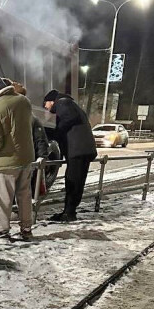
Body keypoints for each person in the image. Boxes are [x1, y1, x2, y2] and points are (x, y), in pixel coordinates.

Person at [0, 73, 35, 241]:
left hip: (5, 162)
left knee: (3, 199)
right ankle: (26, 229)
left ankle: (2, 231)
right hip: (25, 159)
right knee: (24, 195)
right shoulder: (24, 102)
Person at [43, 89, 97, 222]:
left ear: (51, 101)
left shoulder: (63, 103)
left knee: (72, 181)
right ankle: (69, 211)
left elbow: (68, 119)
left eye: (45, 104)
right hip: (82, 150)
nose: (45, 107)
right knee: (77, 181)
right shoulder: (70, 104)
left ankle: (69, 213)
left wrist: (54, 132)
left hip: (77, 150)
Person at [5, 80, 49, 195]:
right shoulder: (29, 116)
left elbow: (40, 140)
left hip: (21, 163)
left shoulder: (28, 117)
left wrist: (41, 159)